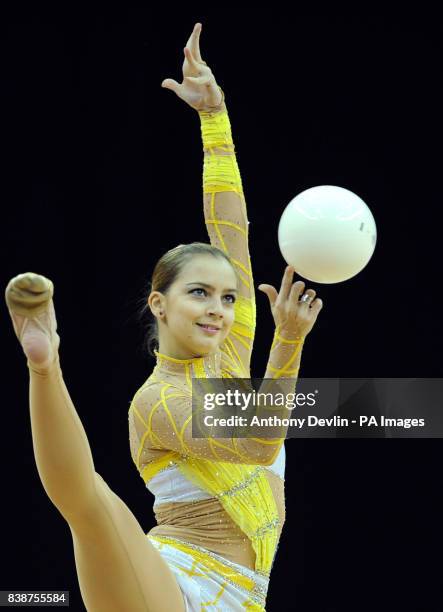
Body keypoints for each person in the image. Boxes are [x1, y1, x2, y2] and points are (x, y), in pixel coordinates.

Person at [5, 22, 323, 612]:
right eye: (199, 294)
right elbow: (257, 443)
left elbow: (232, 231)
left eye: (228, 298)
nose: (219, 309)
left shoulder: (228, 354)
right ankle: (43, 361)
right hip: (169, 583)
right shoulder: (156, 404)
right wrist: (288, 342)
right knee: (91, 503)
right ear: (159, 303)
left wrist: (215, 121)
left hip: (246, 598)